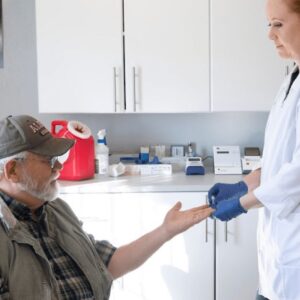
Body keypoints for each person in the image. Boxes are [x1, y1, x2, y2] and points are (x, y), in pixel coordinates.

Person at [0, 115, 213, 300]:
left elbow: (106, 265)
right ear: (13, 171)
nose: (59, 167)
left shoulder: (56, 209)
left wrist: (166, 230)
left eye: (58, 158)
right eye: (48, 160)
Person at [208, 0, 300, 299]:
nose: (270, 35)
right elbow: (279, 158)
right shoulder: (290, 80)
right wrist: (244, 183)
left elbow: (297, 174)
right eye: (268, 25)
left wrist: (242, 203)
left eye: (278, 24)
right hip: (280, 253)